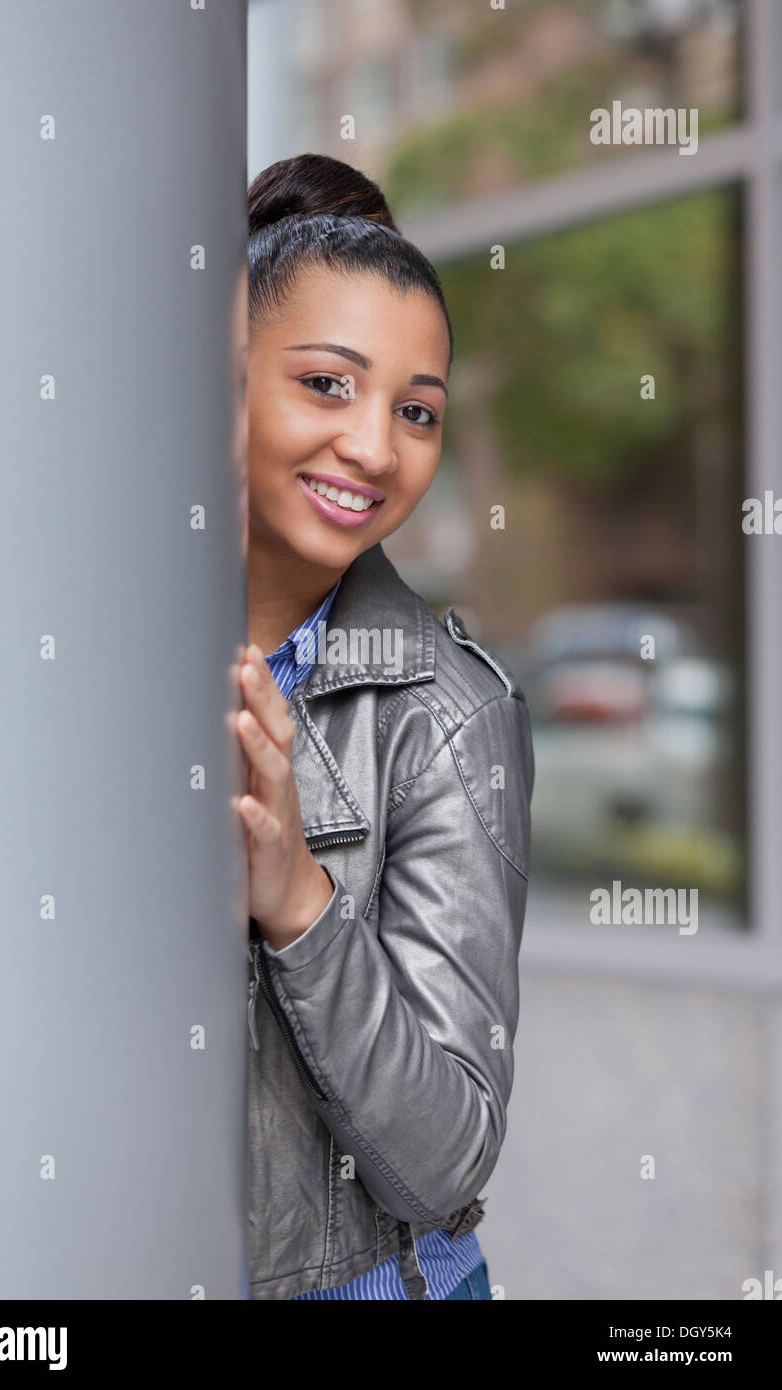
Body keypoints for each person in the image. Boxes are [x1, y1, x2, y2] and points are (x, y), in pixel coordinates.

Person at [233, 153, 534, 1300]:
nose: (373, 446)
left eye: (416, 410)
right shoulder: (98, 664)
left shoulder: (452, 715)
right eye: (326, 384)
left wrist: (298, 901)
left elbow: (447, 1152)